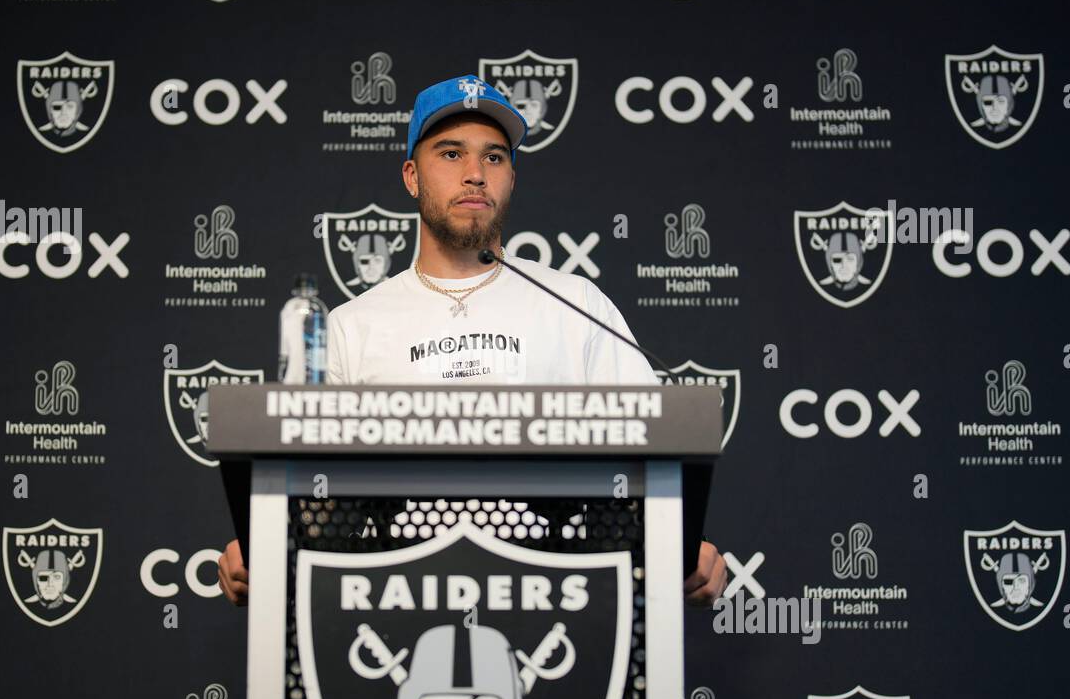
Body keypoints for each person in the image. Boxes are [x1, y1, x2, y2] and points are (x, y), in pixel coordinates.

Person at [218, 74, 726, 605]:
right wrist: (266, 546)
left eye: (494, 158)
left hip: (560, 599)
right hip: (399, 600)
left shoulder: (578, 305)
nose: (475, 174)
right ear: (412, 177)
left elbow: (650, 466)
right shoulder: (350, 326)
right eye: (451, 153)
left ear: (512, 177)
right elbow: (315, 504)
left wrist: (688, 546)